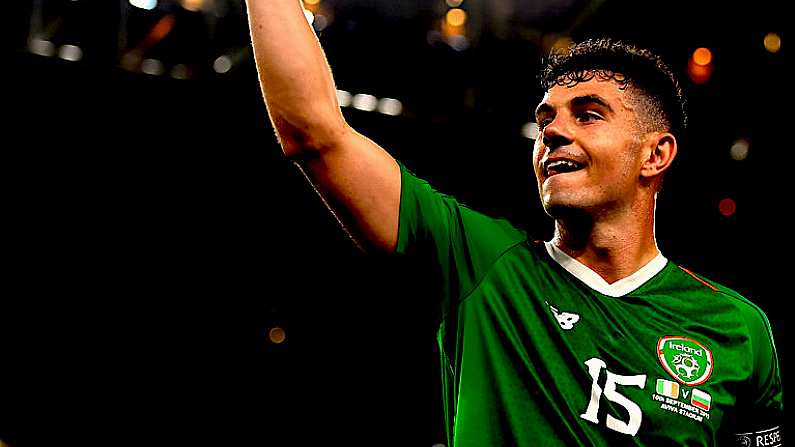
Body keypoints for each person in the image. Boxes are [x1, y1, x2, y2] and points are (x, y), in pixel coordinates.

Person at [244, 1, 784, 445]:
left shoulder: (739, 330)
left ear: (655, 155)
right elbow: (315, 132)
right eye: (545, 118)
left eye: (588, 115)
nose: (551, 132)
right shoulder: (483, 263)